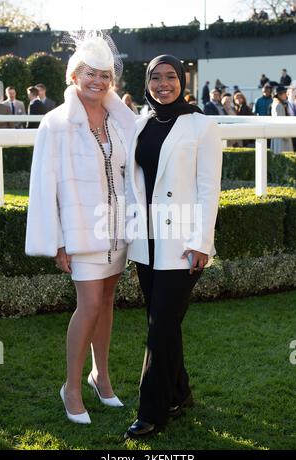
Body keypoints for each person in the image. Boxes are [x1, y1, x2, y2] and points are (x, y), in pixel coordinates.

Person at [25, 31, 136, 424]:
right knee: (88, 305)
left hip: (117, 231)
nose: (98, 81)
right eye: (90, 73)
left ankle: (100, 376)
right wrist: (57, 241)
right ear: (74, 76)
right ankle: (71, 387)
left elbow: (129, 175)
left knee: (106, 304)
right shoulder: (55, 124)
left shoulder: (122, 121)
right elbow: (43, 187)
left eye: (105, 75)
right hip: (80, 234)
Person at [124, 54, 222, 438]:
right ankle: (180, 394)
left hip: (183, 242)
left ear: (182, 80)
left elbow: (208, 189)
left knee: (160, 325)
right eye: (155, 78)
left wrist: (201, 242)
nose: (163, 84)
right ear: (147, 82)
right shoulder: (141, 122)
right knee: (162, 323)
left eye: (170, 77)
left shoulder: (202, 125)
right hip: (146, 241)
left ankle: (152, 410)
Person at [270, 85, 293, 154]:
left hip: (279, 134)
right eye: (285, 93)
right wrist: (286, 135)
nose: (286, 94)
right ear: (279, 95)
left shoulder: (277, 104)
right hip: (282, 136)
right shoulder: (278, 106)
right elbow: (280, 123)